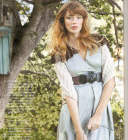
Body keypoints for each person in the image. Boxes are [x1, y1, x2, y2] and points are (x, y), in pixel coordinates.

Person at [48, 1, 116, 140]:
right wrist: (78, 131)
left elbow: (110, 80)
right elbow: (69, 92)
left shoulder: (98, 42)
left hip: (100, 108)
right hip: (75, 112)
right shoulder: (59, 53)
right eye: (69, 17)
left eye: (79, 17)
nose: (74, 21)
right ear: (62, 21)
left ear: (83, 20)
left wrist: (98, 115)